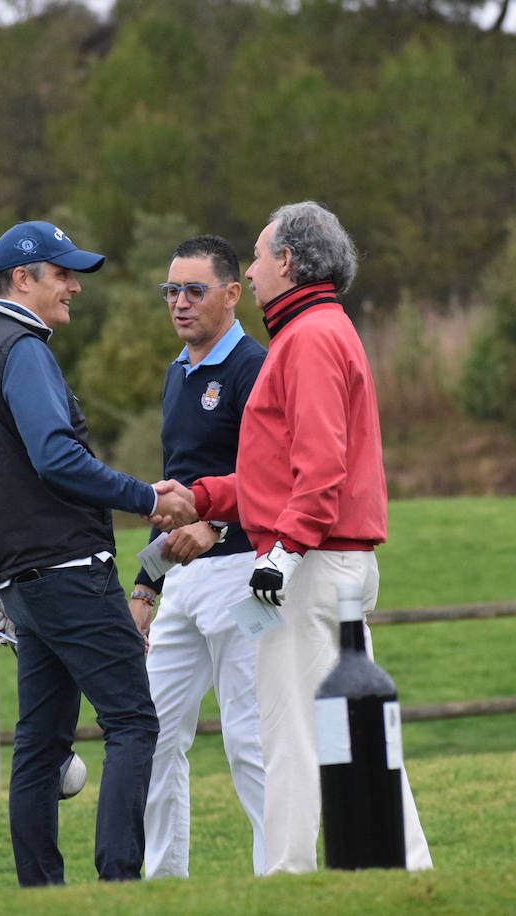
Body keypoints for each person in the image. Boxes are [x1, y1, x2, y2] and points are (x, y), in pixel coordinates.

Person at [0, 219, 197, 888]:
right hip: (67, 572)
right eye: (62, 275)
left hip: (23, 586)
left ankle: (42, 895)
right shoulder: (23, 350)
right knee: (134, 722)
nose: (74, 288)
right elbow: (56, 457)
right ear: (23, 280)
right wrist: (145, 497)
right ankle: (118, 885)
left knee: (41, 745)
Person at [186, 201, 433, 875]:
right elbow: (281, 472)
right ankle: (405, 867)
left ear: (288, 262)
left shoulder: (310, 337)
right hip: (326, 560)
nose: (254, 269)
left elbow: (320, 469)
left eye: (260, 256)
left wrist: (284, 555)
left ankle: (289, 874)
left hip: (311, 563)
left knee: (290, 729)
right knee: (356, 730)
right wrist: (204, 497)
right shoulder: (317, 330)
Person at [127, 235, 268, 879]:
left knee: (250, 739)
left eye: (193, 290)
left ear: (232, 294)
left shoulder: (253, 368)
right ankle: (164, 882)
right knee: (152, 735)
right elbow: (173, 492)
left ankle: (282, 873)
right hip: (182, 584)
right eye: (170, 291)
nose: (179, 304)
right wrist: (145, 585)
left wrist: (215, 526)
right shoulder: (175, 372)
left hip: (245, 573)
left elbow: (271, 478)